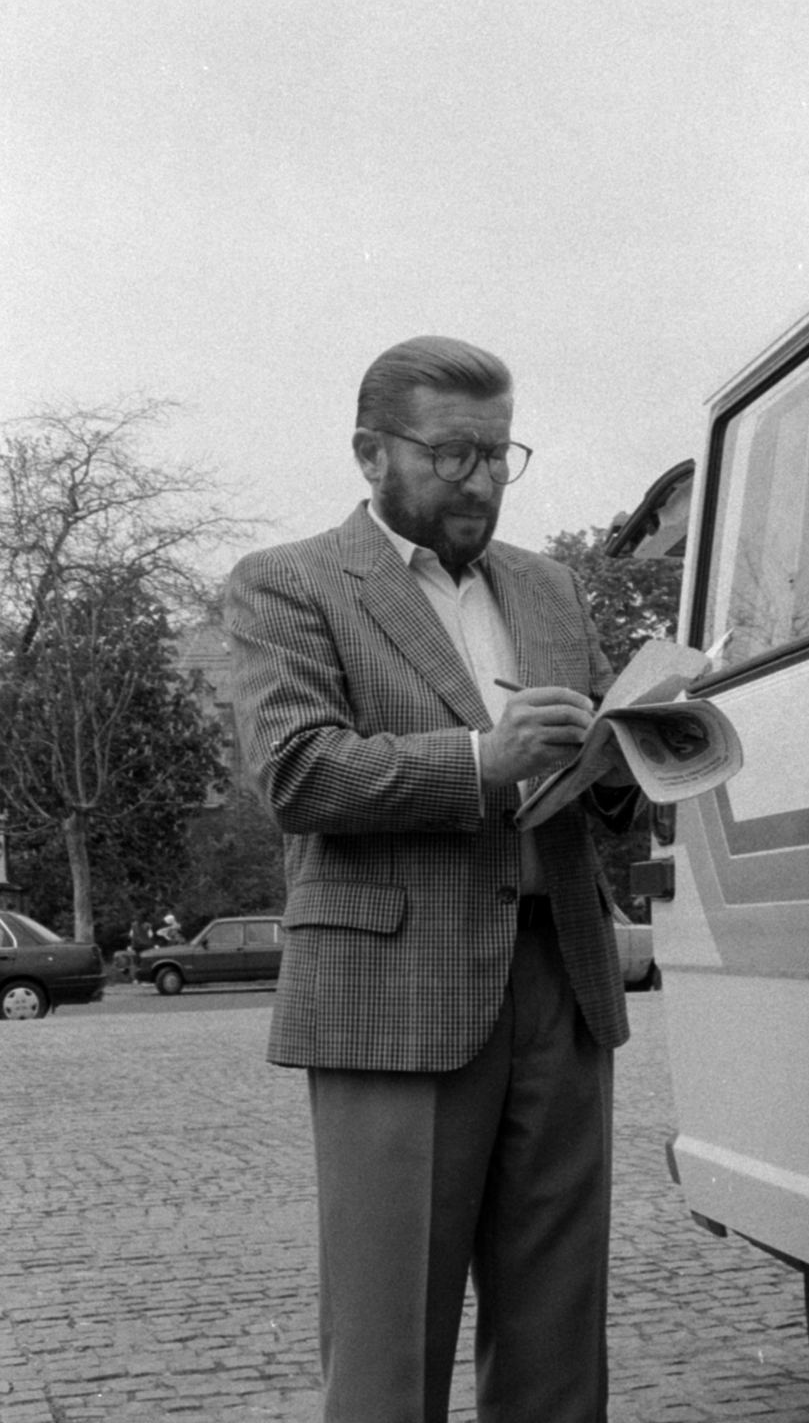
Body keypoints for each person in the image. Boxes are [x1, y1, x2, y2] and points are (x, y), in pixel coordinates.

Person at [226, 335, 639, 1423]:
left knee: (558, 1337)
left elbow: (596, 770)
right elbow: (296, 771)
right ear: (370, 453)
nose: (482, 480)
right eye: (454, 454)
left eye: (501, 453)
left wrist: (632, 757)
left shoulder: (549, 587)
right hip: (390, 991)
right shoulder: (288, 584)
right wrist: (481, 760)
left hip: (562, 978)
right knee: (387, 1348)